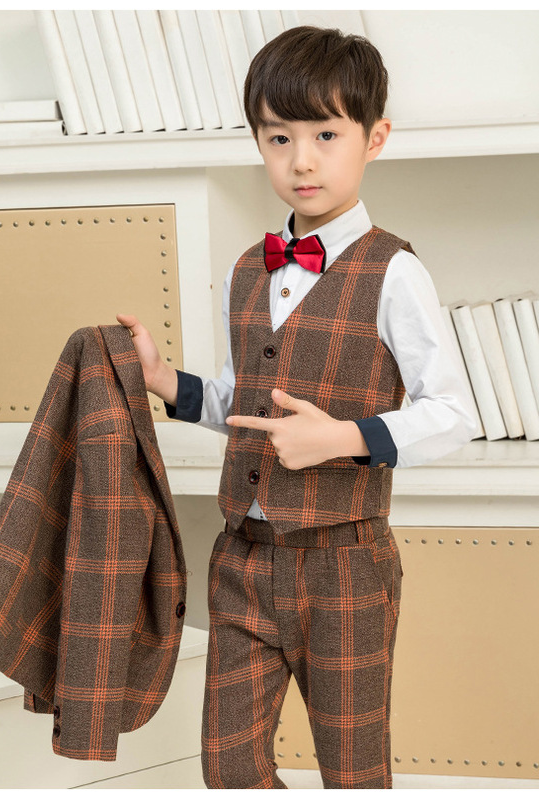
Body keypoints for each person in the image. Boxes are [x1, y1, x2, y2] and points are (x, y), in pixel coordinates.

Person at [117, 25, 476, 790]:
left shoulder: (393, 272)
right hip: (240, 557)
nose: (301, 160)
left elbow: (452, 412)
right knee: (229, 766)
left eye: (324, 135)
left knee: (352, 769)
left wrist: (343, 437)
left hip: (343, 563)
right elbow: (238, 402)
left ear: (374, 138)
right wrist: (163, 381)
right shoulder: (247, 270)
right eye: (278, 137)